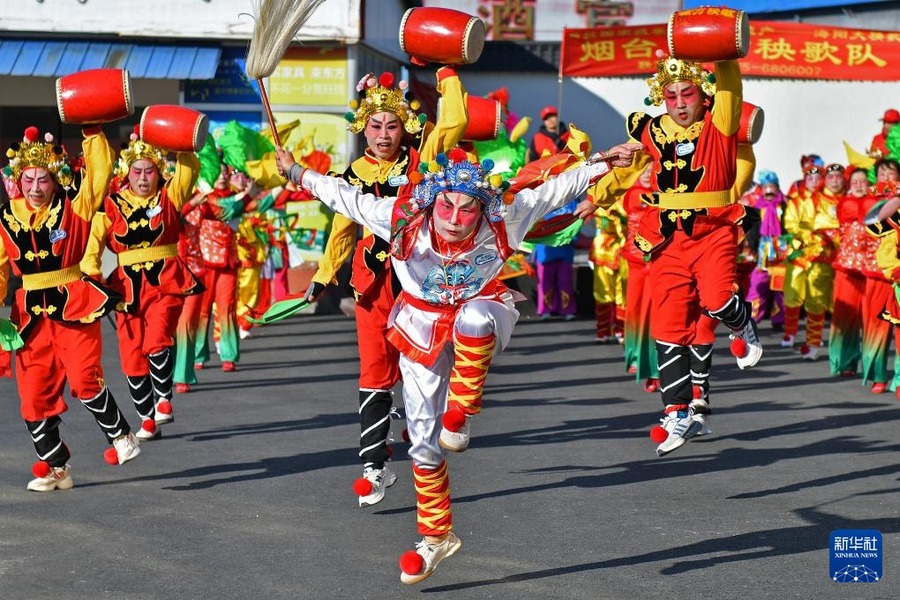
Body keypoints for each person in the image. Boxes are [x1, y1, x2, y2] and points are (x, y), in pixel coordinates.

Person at [276, 140, 640, 584]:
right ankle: (435, 537)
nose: (454, 219)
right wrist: (296, 172)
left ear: (481, 208)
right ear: (432, 204)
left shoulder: (504, 215)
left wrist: (604, 161)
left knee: (473, 316)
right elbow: (346, 196)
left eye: (466, 209)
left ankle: (462, 411)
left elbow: (558, 188)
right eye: (446, 207)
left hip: (478, 311)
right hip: (420, 327)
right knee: (423, 444)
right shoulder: (402, 217)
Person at [585, 53, 762, 457]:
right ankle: (677, 411)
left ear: (703, 96)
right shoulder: (649, 130)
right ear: (661, 98)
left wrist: (722, 54)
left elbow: (731, 87)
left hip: (714, 229)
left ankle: (742, 322)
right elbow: (625, 172)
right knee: (666, 327)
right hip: (666, 236)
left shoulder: (720, 121)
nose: (680, 102)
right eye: (672, 95)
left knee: (718, 300)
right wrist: (596, 199)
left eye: (688, 94)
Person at [305, 69, 466, 507]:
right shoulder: (350, 175)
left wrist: (447, 76)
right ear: (363, 129)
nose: (382, 134)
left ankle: (434, 437)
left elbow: (454, 123)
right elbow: (341, 231)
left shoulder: (422, 162)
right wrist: (323, 276)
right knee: (374, 375)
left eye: (391, 125)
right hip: (371, 286)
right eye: (375, 126)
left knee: (429, 369)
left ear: (404, 128)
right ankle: (374, 467)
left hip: (419, 285)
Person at [0, 125, 140, 491]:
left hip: (73, 302)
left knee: (83, 377)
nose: (35, 188)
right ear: (19, 179)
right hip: (29, 316)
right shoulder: (5, 218)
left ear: (54, 179)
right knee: (33, 395)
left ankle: (122, 435)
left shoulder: (73, 205)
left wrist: (91, 130)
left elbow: (99, 170)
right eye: (28, 179)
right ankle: (56, 467)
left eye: (43, 179)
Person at [81, 129, 202, 440]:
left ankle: (164, 400)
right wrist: (92, 280)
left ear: (158, 172)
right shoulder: (109, 206)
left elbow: (188, 171)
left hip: (167, 281)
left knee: (158, 338)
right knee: (132, 353)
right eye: (138, 171)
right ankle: (146, 418)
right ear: (127, 173)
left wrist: (184, 143)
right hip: (125, 288)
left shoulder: (169, 196)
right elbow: (92, 245)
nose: (144, 177)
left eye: (150, 171)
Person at [781, 164, 839, 360]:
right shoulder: (799, 201)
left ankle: (820, 343)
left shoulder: (837, 199)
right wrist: (810, 239)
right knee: (793, 294)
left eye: (818, 178)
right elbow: (793, 224)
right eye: (810, 179)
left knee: (823, 302)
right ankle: (790, 333)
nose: (814, 182)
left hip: (829, 257)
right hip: (802, 255)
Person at [744, 170, 787, 332]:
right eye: (766, 187)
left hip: (781, 251)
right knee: (757, 284)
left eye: (772, 187)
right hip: (763, 251)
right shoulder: (756, 208)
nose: (769, 191)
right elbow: (752, 231)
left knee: (779, 287)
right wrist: (755, 247)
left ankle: (778, 319)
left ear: (777, 188)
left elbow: (789, 226)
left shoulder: (785, 206)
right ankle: (752, 318)